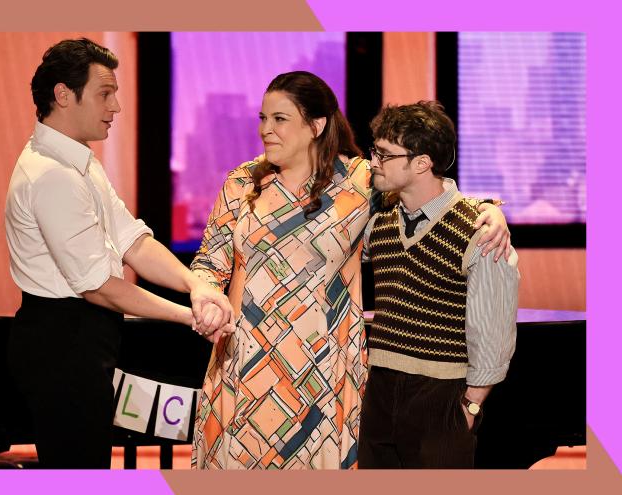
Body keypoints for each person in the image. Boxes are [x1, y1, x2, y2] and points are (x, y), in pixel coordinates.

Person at [190, 72, 510, 469]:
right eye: (262, 118)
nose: (265, 130)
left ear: (316, 125)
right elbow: (209, 260)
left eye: (279, 119)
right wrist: (204, 296)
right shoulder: (241, 182)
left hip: (324, 369)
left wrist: (489, 210)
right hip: (245, 363)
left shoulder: (360, 181)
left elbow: (429, 194)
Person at [4, 38, 233, 469]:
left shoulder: (80, 162)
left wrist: (195, 284)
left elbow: (133, 241)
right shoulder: (52, 175)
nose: (117, 106)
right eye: (105, 93)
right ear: (63, 95)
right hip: (62, 341)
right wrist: (191, 316)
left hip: (82, 339)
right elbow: (100, 288)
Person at [357, 101, 519, 469]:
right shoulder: (379, 222)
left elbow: (494, 333)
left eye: (384, 154)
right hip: (380, 390)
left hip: (441, 395)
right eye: (375, 151)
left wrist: (470, 406)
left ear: (421, 162)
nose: (373, 162)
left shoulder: (478, 229)